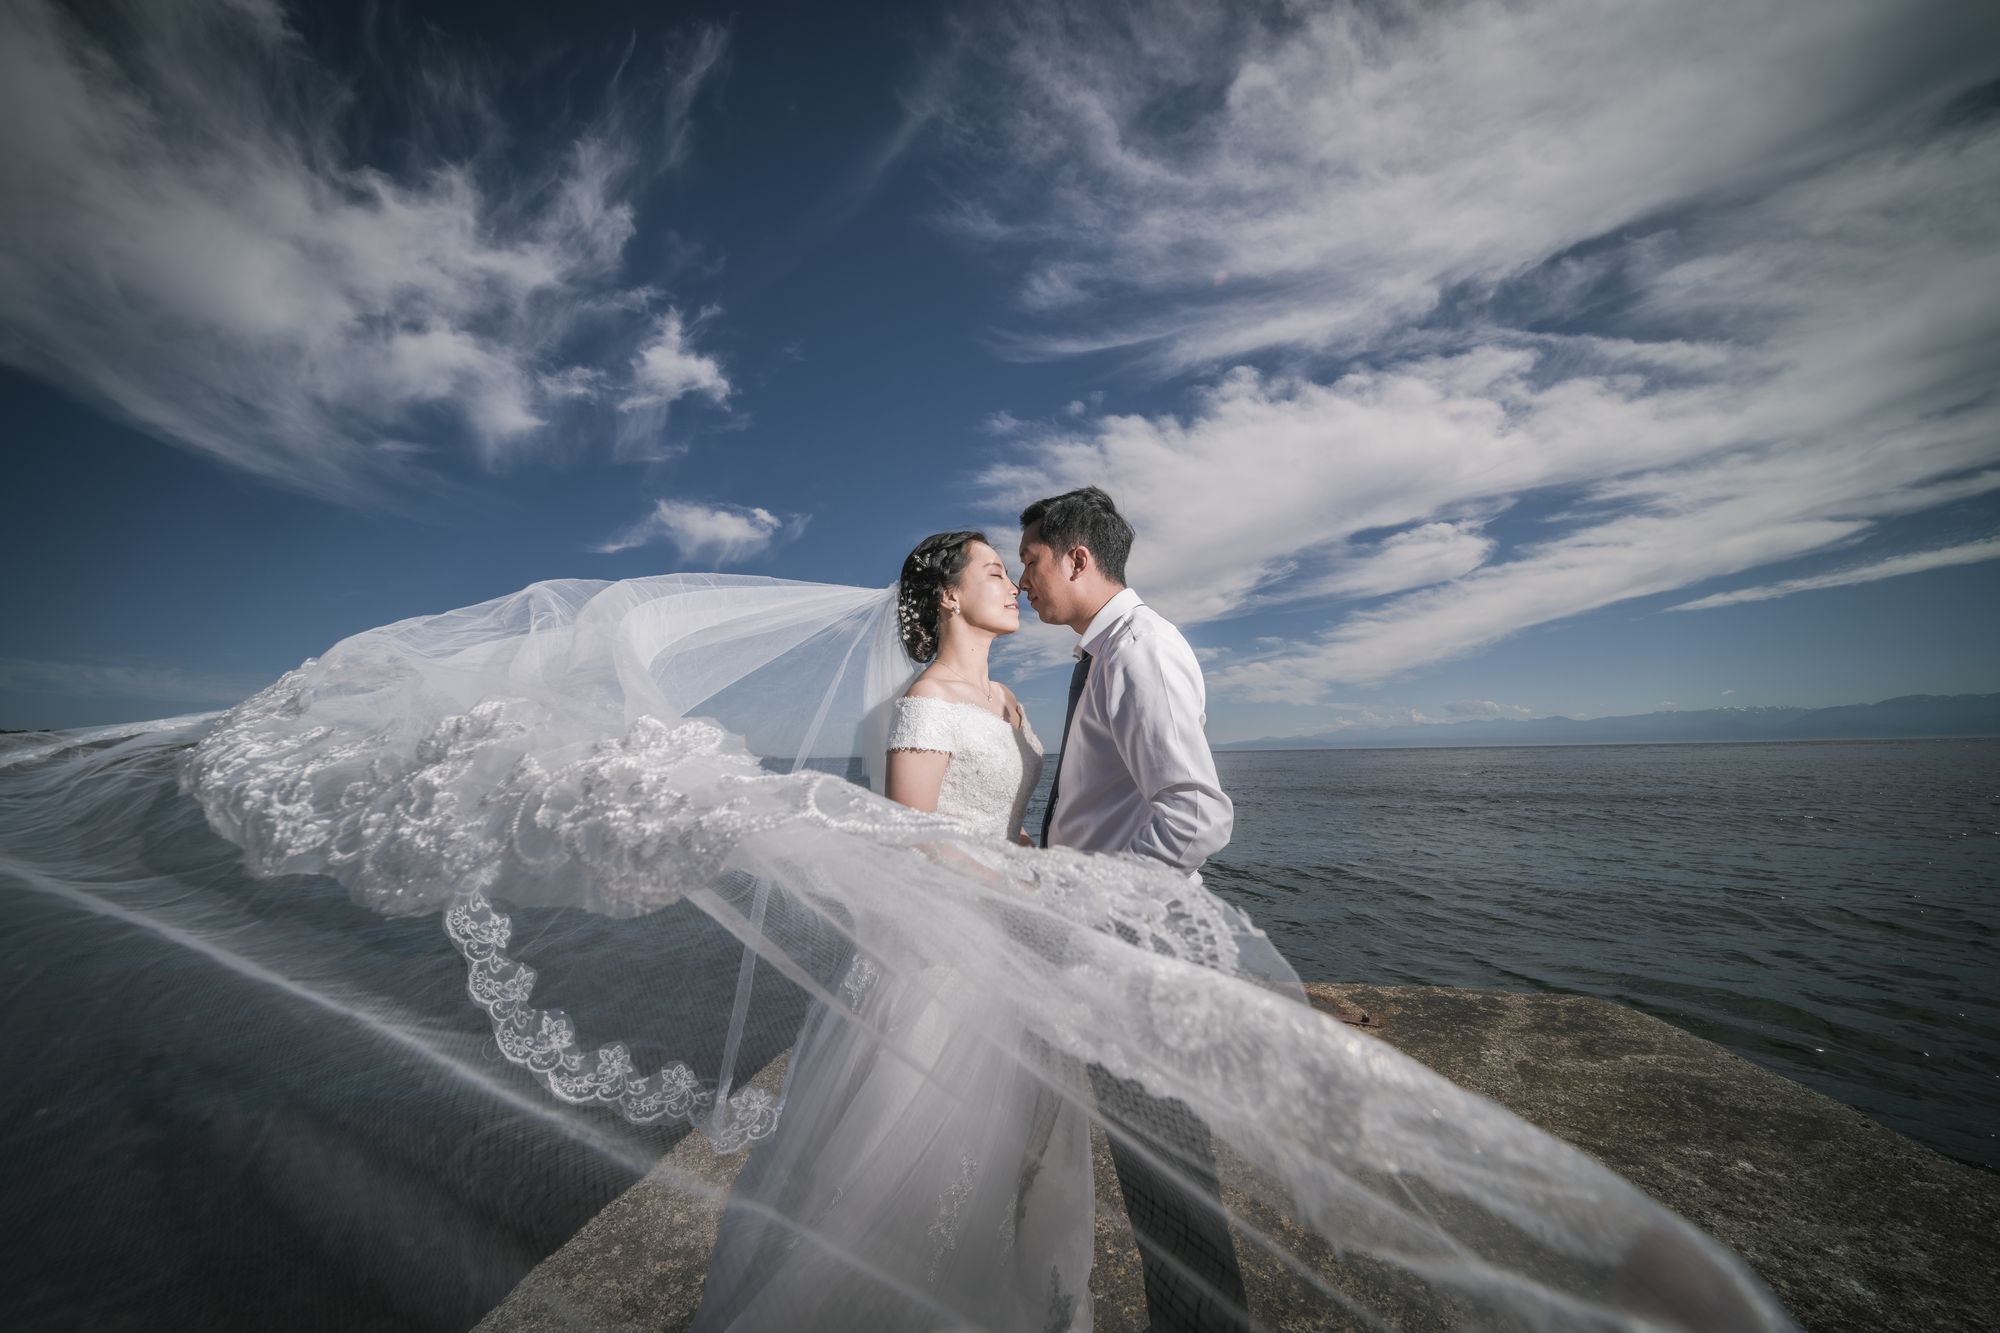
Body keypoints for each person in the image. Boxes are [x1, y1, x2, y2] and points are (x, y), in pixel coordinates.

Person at [692, 531, 1096, 1331]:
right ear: (948, 595)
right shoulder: (926, 703)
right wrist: (1028, 887)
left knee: (1008, 1165)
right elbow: (922, 841)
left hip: (1014, 949)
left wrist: (1031, 870)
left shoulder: (1007, 702)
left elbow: (999, 826)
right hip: (946, 960)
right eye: (991, 571)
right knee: (921, 1161)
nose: (1012, 582)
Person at [1017, 486, 1251, 1333]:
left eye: (1032, 562)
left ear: (1079, 557)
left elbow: (1195, 812)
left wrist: (1092, 903)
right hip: (1115, 944)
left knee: (1171, 1185)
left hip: (1136, 951)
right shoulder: (1103, 652)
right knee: (1155, 1176)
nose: (1020, 581)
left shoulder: (1138, 649)